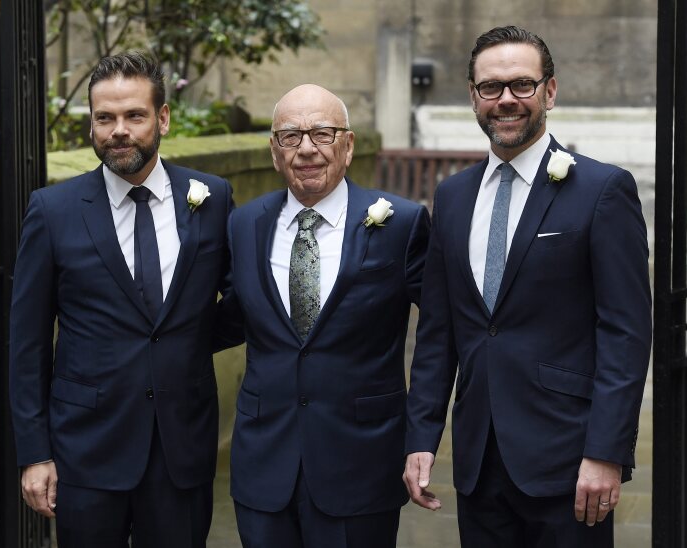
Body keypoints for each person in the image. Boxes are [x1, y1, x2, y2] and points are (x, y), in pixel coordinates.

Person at [403, 25, 652, 547]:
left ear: (549, 91)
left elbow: (625, 334)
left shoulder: (602, 190)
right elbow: (438, 332)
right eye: (491, 87)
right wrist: (422, 436)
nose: (506, 100)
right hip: (478, 461)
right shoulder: (452, 197)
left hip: (570, 462)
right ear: (474, 97)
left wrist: (606, 452)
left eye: (522, 84)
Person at [9, 51, 233, 547]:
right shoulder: (52, 210)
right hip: (85, 449)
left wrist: (187, 342)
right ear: (91, 123)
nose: (119, 131)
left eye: (134, 115)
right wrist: (35, 453)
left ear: (163, 118)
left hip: (182, 446)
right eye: (105, 118)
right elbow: (27, 344)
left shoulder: (212, 198)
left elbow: (243, 301)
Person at [219, 84, 430, 547]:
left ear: (348, 145)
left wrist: (423, 437)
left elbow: (438, 335)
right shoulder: (243, 225)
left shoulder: (401, 224)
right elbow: (233, 317)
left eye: (322, 133)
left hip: (362, 463)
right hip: (263, 465)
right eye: (290, 136)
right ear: (274, 152)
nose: (307, 149)